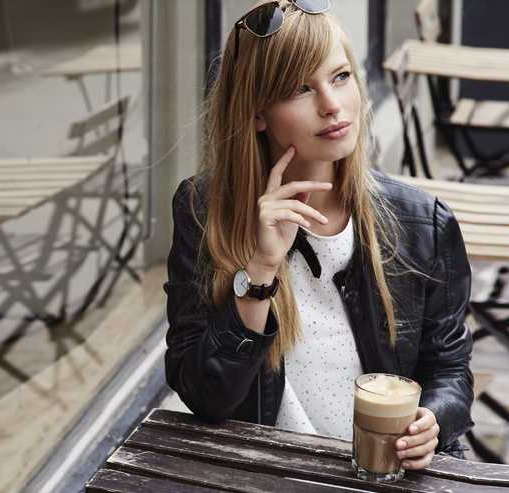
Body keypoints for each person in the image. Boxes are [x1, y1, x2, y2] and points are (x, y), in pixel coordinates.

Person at [163, 0, 474, 468]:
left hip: (383, 473)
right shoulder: (205, 212)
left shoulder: (420, 222)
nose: (332, 105)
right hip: (267, 472)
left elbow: (450, 372)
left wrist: (433, 420)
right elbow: (205, 397)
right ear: (257, 113)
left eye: (341, 77)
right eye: (300, 89)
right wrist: (261, 272)